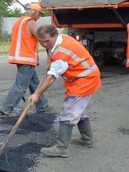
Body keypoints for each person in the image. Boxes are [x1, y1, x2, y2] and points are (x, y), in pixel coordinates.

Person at [29, 25, 101, 158]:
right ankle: (87, 139)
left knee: (69, 110)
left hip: (85, 79)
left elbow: (51, 78)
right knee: (78, 110)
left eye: (47, 41)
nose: (44, 44)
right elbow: (52, 55)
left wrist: (37, 94)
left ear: (54, 36)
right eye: (41, 41)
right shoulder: (62, 39)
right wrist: (50, 62)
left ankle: (61, 147)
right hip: (80, 78)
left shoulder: (62, 52)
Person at [0, 4, 53, 118]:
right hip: (26, 58)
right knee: (20, 85)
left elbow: (12, 38)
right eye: (39, 14)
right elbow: (43, 39)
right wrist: (50, 52)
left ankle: (42, 105)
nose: (38, 17)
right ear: (34, 12)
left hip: (19, 58)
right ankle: (5, 110)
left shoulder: (19, 22)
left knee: (34, 83)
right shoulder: (31, 22)